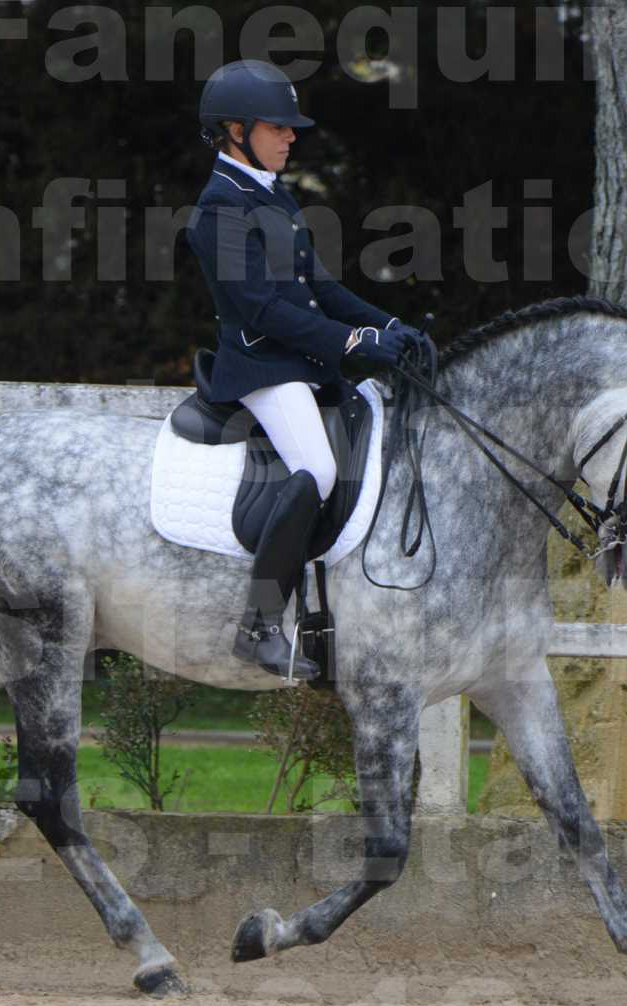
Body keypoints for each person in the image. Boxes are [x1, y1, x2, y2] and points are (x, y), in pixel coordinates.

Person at [186, 59, 421, 679]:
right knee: (315, 468)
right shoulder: (218, 210)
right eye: (278, 127)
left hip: (305, 363)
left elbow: (320, 289)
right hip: (261, 366)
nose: (291, 137)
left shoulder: (271, 195)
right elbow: (262, 308)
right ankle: (260, 622)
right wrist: (353, 343)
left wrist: (390, 327)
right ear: (235, 130)